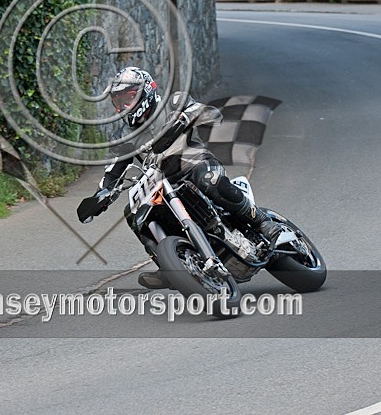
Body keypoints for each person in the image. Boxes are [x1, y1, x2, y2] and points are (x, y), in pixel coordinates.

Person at [77, 67, 283, 290]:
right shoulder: (123, 136)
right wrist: (101, 195)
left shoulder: (173, 103)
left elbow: (212, 114)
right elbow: (113, 170)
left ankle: (263, 222)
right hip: (160, 182)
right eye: (118, 102)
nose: (123, 107)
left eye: (127, 98)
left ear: (145, 91)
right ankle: (170, 263)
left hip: (194, 165)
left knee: (207, 179)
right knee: (133, 214)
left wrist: (184, 118)